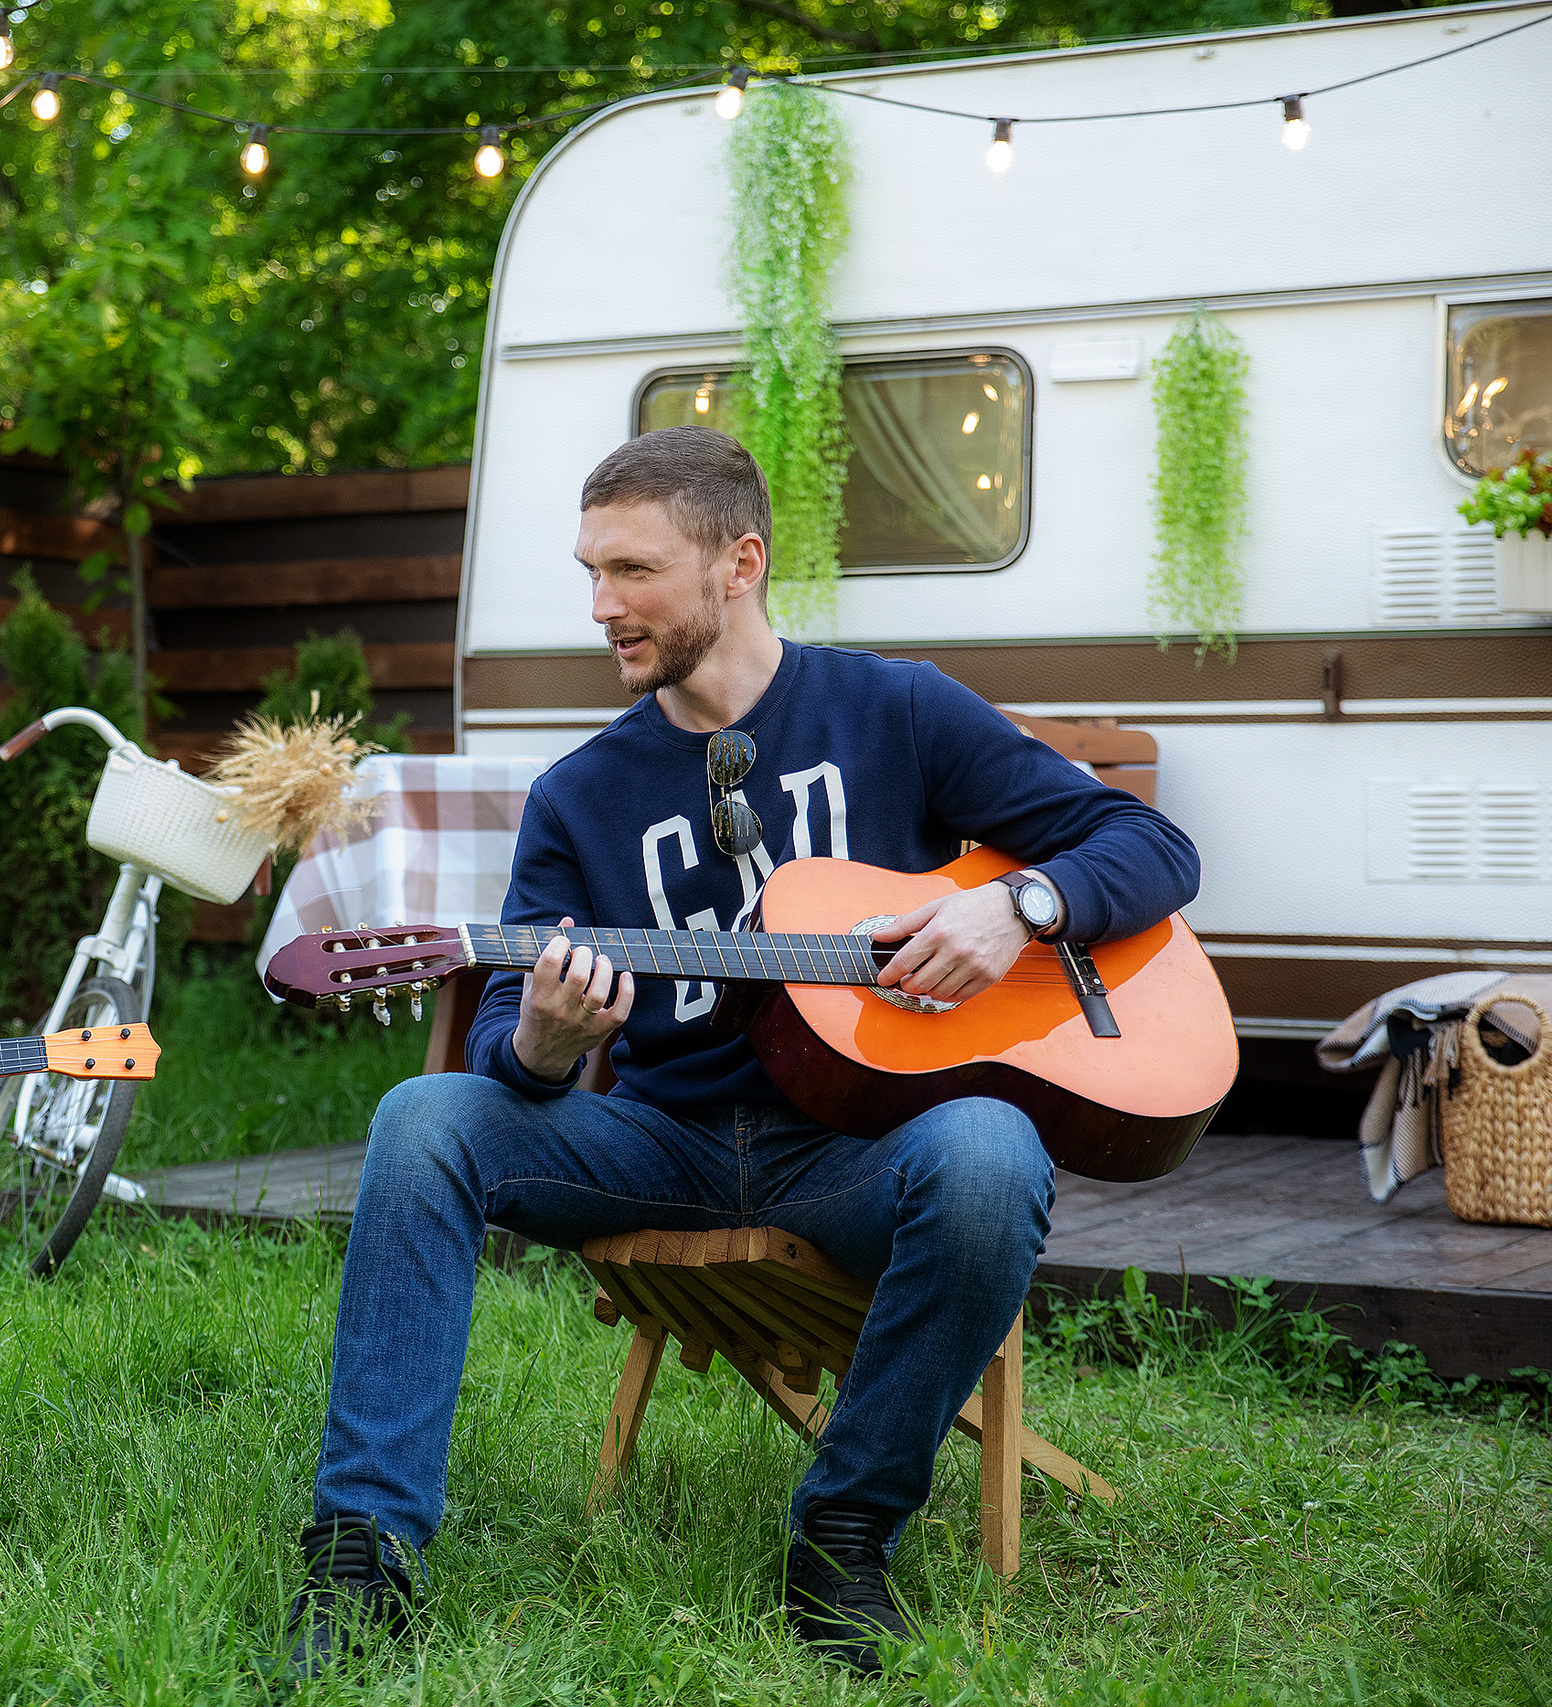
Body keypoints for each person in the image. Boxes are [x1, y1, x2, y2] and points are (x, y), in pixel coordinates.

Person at [274, 427, 1200, 1677]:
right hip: (656, 1146)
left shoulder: (896, 711)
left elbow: (1150, 853)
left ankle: (843, 1536)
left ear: (738, 563)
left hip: (859, 1151)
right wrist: (543, 1049)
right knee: (421, 1120)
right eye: (589, 570)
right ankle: (359, 1559)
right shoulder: (580, 794)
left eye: (633, 571)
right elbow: (502, 1040)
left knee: (989, 1152)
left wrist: (1014, 908)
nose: (601, 606)